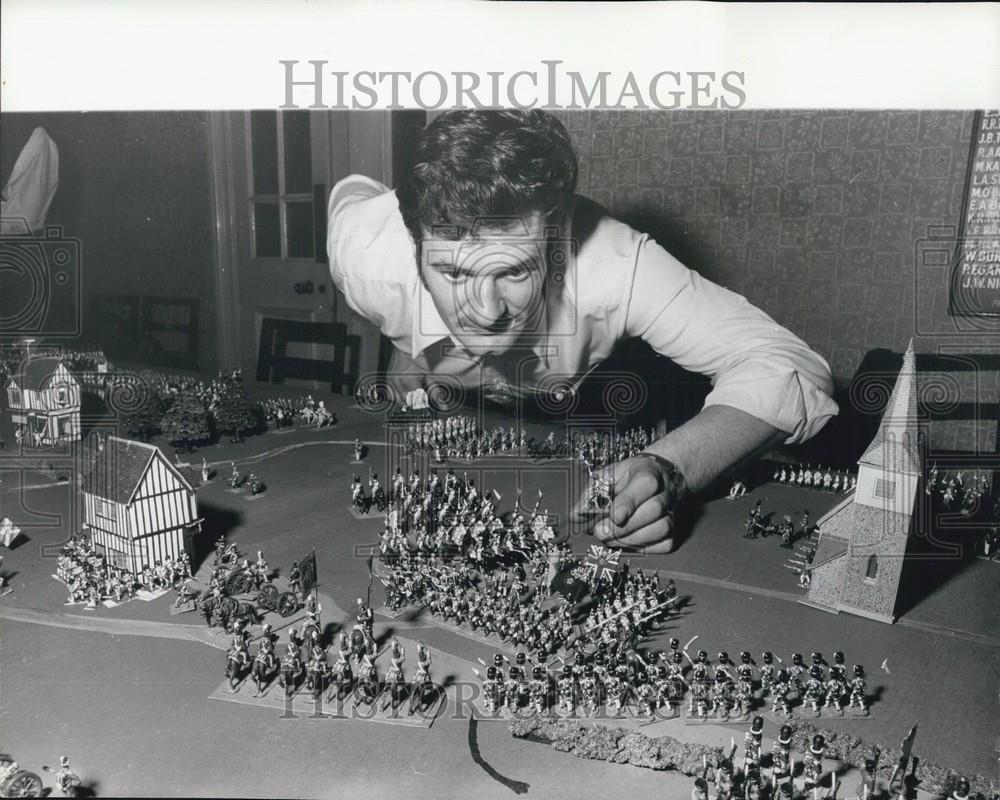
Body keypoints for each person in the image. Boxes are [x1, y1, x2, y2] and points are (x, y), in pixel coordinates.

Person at [327, 110, 837, 553]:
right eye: (453, 273)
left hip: (582, 407)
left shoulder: (616, 267)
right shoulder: (367, 258)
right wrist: (406, 342)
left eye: (514, 270)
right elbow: (350, 191)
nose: (484, 310)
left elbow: (791, 367)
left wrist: (669, 467)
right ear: (414, 249)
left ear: (556, 247)